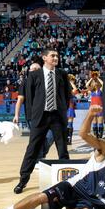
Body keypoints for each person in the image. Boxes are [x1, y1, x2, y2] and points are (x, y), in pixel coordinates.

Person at [14, 48, 71, 194]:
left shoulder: (62, 74)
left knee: (62, 149)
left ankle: (68, 181)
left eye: (57, 55)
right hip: (40, 117)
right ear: (44, 58)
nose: (56, 57)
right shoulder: (34, 76)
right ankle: (23, 180)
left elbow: (67, 95)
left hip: (58, 116)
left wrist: (63, 110)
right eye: (52, 55)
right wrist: (32, 116)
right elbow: (30, 99)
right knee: (32, 149)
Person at [86, 71, 104, 138]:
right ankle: (96, 137)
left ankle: (100, 137)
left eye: (96, 82)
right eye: (94, 83)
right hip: (93, 108)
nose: (95, 83)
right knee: (94, 122)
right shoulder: (91, 91)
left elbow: (103, 83)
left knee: (100, 123)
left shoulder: (101, 90)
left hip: (100, 107)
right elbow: (87, 85)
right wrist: (92, 78)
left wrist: (97, 78)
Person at [66, 74, 79, 145]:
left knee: (68, 124)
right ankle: (69, 139)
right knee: (69, 124)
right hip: (68, 107)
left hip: (67, 107)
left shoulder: (65, 89)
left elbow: (75, 90)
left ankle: (68, 139)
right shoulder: (67, 90)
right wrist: (71, 82)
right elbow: (75, 90)